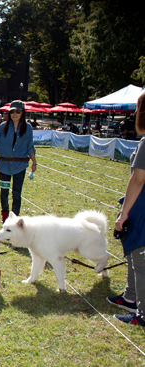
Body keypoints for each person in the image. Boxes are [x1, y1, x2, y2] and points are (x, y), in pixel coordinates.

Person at [107, 92, 145, 327]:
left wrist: (123, 214)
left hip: (141, 208)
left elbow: (138, 180)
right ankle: (131, 298)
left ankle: (142, 313)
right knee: (134, 254)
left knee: (140, 258)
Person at [0, 100, 37, 223]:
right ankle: (5, 216)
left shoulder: (28, 128)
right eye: (12, 111)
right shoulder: (3, 126)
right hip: (4, 166)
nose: (15, 114)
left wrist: (34, 162)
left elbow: (30, 147)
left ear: (22, 113)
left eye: (18, 111)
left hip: (20, 165)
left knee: (17, 193)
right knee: (4, 192)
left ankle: (14, 218)